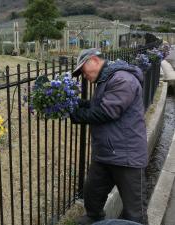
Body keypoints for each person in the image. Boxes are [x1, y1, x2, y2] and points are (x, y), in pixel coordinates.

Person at [70, 48, 148, 225]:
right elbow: (99, 105)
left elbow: (106, 112)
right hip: (105, 155)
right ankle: (94, 218)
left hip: (127, 157)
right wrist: (76, 103)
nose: (83, 75)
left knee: (135, 214)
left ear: (95, 60)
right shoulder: (106, 81)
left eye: (83, 69)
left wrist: (73, 114)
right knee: (92, 197)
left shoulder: (122, 79)